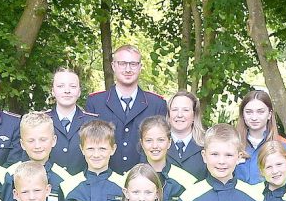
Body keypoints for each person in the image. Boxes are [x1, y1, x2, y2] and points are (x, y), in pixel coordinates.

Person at [85, 45, 168, 173]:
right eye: (122, 63)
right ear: (113, 66)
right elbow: (90, 143)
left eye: (133, 64)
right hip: (104, 178)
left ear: (140, 67)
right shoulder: (96, 102)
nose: (128, 69)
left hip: (145, 181)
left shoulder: (156, 104)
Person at [4, 111, 74, 201]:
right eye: (31, 140)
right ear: (22, 144)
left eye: (43, 139)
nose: (37, 146)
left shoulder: (64, 179)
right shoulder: (10, 175)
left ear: (53, 140)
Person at [234, 90, 286, 190]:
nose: (254, 117)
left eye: (260, 112)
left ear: (269, 114)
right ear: (243, 114)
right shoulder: (232, 145)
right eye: (249, 112)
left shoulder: (284, 146)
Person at [48, 67, 98, 175]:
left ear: (79, 91)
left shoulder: (93, 122)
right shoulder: (41, 121)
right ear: (52, 91)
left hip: (83, 188)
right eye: (61, 86)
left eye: (73, 86)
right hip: (48, 187)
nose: (67, 91)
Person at [166, 91, 207, 180]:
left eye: (185, 110)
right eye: (175, 110)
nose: (179, 115)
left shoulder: (207, 144)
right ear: (169, 115)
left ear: (194, 115)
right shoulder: (156, 143)